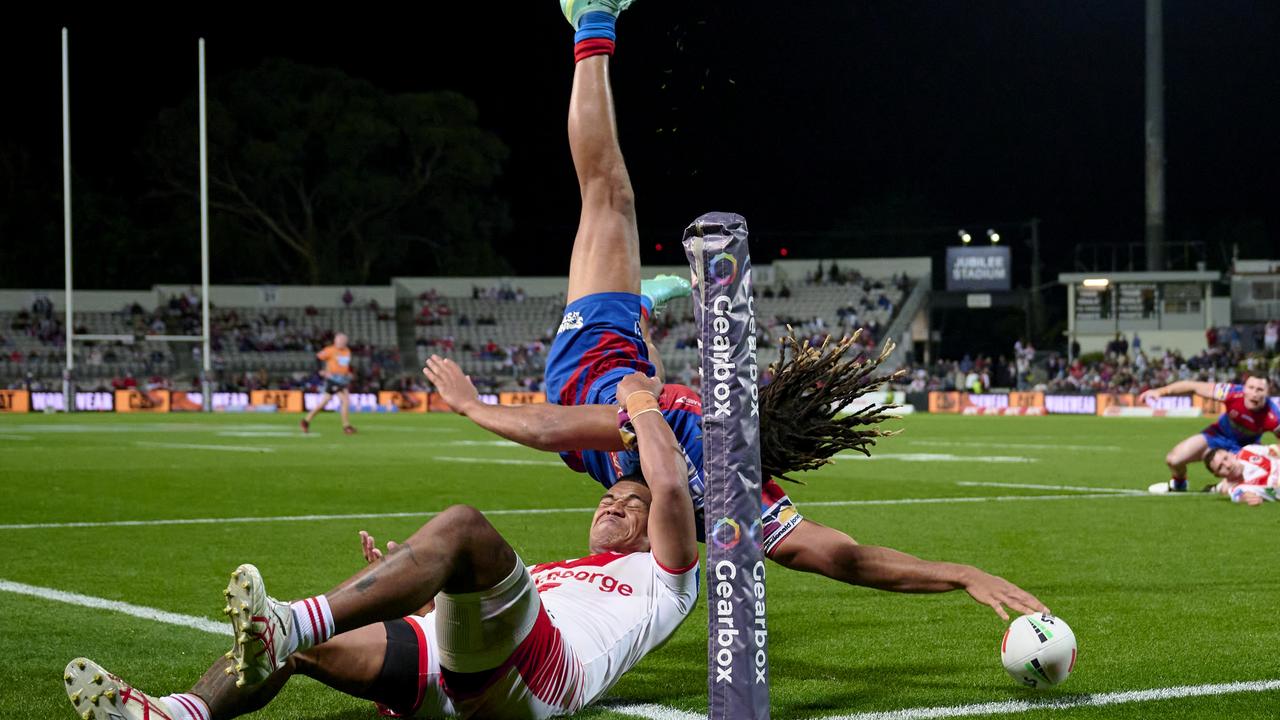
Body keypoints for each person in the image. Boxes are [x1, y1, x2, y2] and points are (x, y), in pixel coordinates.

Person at [423, 0, 1045, 623]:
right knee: (610, 214)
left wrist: (472, 406)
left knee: (610, 212)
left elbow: (558, 427)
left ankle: (593, 28)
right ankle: (594, 27)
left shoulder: (711, 464)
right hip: (612, 370)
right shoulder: (723, 474)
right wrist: (962, 573)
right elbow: (842, 557)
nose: (612, 521)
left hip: (597, 375)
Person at [62, 373, 699, 720]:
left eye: (629, 505)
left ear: (657, 527)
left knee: (463, 526)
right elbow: (476, 626)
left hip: (543, 677)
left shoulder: (667, 574)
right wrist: (412, 585)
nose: (613, 502)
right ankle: (179, 715)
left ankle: (292, 621)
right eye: (608, 497)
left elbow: (667, 477)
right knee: (294, 650)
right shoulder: (555, 570)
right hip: (471, 669)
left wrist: (640, 398)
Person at [1140, 374, 1279, 493]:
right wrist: (1160, 391)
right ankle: (1179, 483)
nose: (1254, 393)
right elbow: (1193, 386)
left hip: (1243, 449)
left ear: (1267, 393)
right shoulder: (1231, 393)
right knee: (1173, 460)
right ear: (1244, 388)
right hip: (1216, 436)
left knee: (1236, 486)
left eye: (1260, 389)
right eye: (1251, 388)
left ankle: (1215, 488)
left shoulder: (1274, 417)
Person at [301, 332, 356, 435]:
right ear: (335, 341)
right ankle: (346, 426)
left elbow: (344, 365)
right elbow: (317, 358)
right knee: (345, 400)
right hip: (333, 379)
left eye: (343, 341)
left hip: (342, 380)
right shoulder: (330, 350)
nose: (341, 343)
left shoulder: (347, 351)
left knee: (324, 402)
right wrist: (320, 371)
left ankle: (306, 421)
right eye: (339, 340)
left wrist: (348, 373)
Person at [1203, 443, 1278, 505]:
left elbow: (1275, 450)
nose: (1228, 465)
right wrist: (1249, 498)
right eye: (1220, 467)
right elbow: (1241, 496)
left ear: (1232, 454)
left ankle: (1217, 487)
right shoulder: (1238, 489)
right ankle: (1217, 487)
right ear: (1218, 475)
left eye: (1226, 458)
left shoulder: (1248, 451)